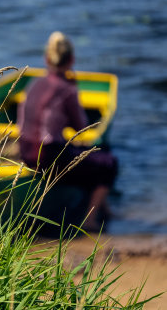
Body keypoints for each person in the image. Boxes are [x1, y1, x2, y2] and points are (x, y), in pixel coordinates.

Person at [17, 31, 118, 232]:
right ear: (71, 59)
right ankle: (90, 220)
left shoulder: (34, 83)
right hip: (49, 156)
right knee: (108, 163)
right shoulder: (67, 89)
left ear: (46, 59)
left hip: (26, 151)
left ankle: (103, 208)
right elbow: (81, 126)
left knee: (89, 160)